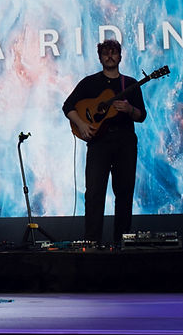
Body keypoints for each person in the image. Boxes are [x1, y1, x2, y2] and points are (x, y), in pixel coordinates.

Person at [62, 39, 147, 247]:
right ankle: (92, 243)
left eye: (114, 52)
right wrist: (82, 125)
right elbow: (68, 106)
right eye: (105, 53)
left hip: (125, 143)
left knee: (125, 192)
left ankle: (121, 243)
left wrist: (129, 110)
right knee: (93, 194)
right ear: (100, 58)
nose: (110, 56)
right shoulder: (89, 83)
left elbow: (141, 115)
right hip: (98, 144)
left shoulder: (131, 84)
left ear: (120, 56)